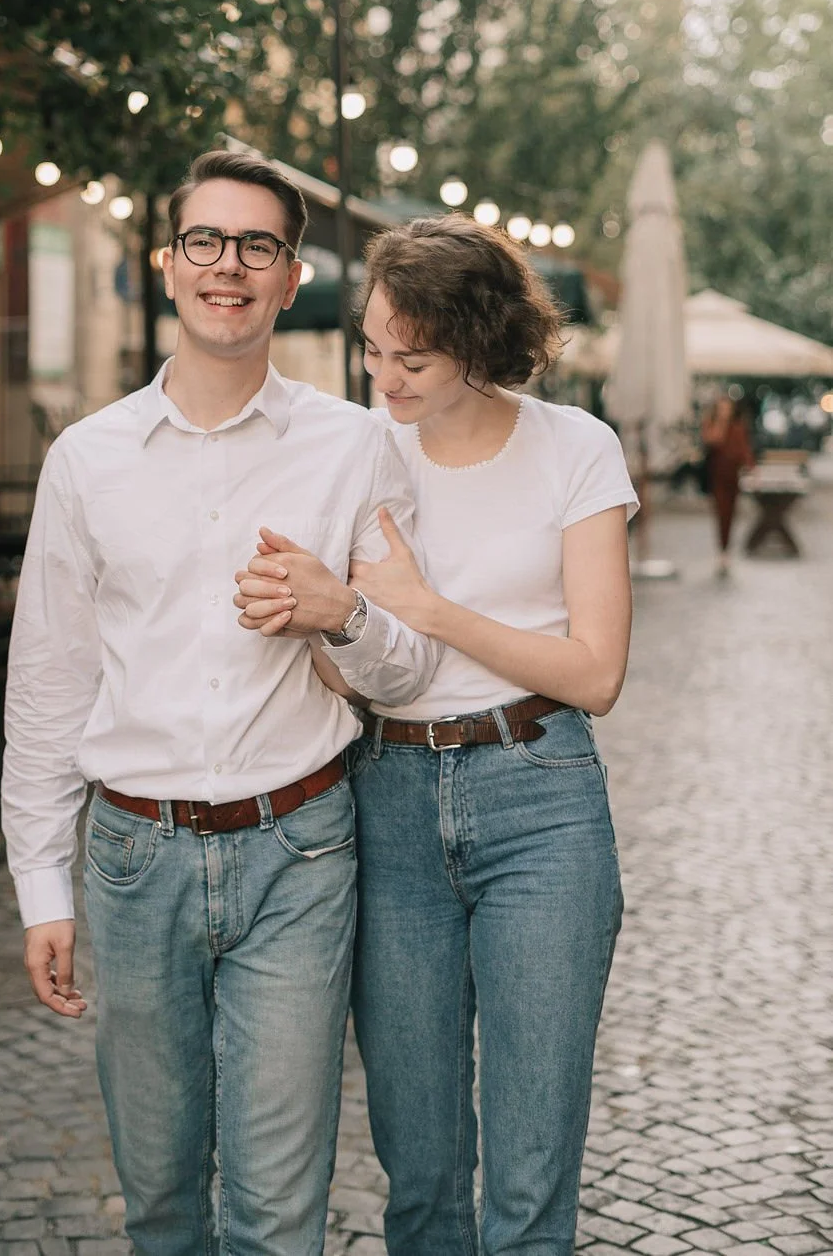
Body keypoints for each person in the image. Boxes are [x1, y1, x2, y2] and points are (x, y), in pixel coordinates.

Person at [1, 150, 439, 1256]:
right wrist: (41, 883)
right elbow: (50, 679)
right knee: (157, 1201)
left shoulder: (358, 446)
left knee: (278, 1208)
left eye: (259, 245)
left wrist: (339, 612)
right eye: (207, 240)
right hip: (131, 859)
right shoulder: (86, 459)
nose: (229, 265)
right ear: (166, 264)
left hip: (298, 848)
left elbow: (409, 674)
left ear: (293, 279)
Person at [235, 214, 638, 1256]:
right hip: (390, 804)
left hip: (541, 802)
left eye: (412, 358)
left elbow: (596, 673)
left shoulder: (575, 447)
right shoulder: (354, 455)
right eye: (372, 348)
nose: (386, 378)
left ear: (479, 341)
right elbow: (341, 659)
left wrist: (428, 604)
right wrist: (329, 617)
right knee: (416, 1171)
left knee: (531, 1170)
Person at [701, 394, 755, 574]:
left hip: (733, 477)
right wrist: (720, 423)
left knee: (731, 514)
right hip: (717, 477)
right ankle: (722, 549)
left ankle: (726, 549)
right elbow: (713, 440)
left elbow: (744, 449)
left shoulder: (738, 427)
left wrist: (751, 468)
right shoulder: (711, 423)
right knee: (721, 512)